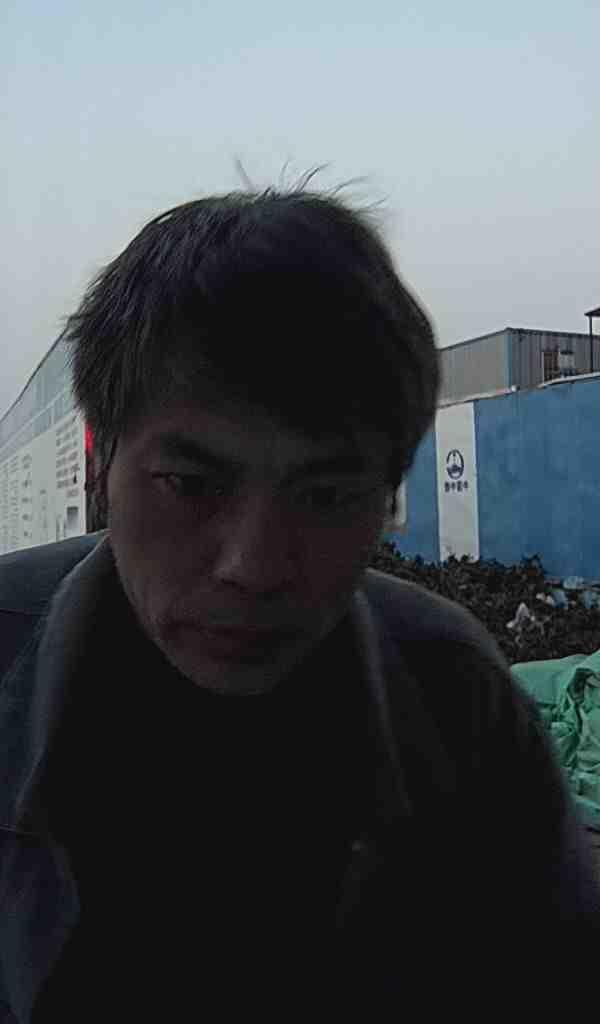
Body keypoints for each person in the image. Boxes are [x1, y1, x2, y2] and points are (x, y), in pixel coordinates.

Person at [0, 186, 598, 1022]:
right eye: (191, 483)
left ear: (387, 494)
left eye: (326, 494)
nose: (253, 566)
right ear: (103, 467)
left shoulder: (456, 697)